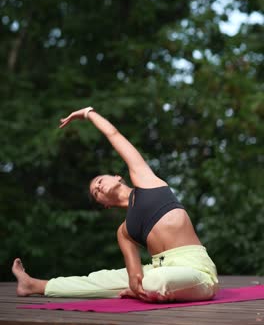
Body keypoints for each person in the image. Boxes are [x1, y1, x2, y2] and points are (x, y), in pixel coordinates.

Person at [12, 106, 218, 302]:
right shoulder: (124, 232)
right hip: (157, 269)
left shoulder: (147, 181)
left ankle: (154, 291)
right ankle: (33, 285)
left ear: (117, 177)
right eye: (95, 192)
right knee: (105, 278)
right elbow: (135, 274)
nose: (98, 188)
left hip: (195, 269)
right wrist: (136, 284)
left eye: (100, 181)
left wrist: (87, 113)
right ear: (104, 205)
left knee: (155, 281)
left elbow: (114, 135)